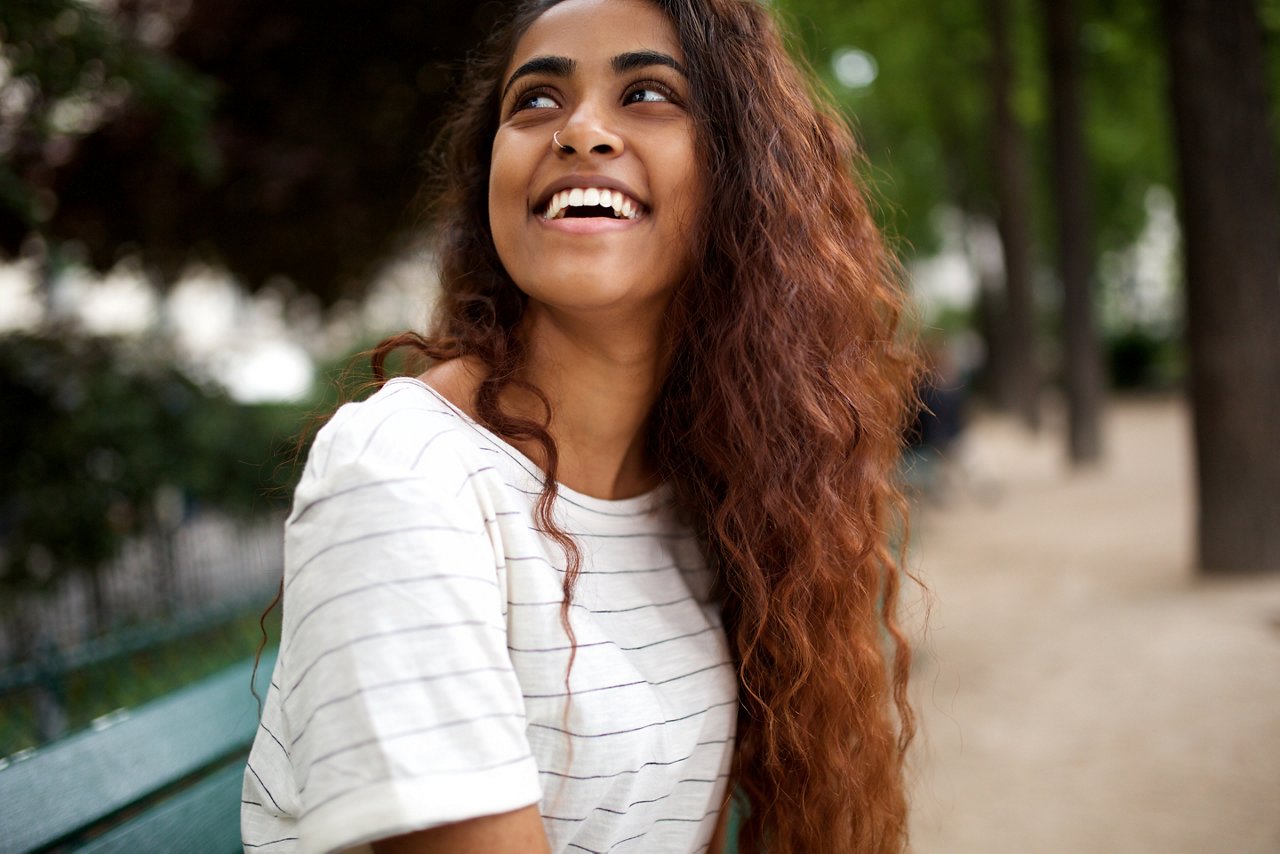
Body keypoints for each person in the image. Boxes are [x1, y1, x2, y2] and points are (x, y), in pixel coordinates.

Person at [241, 0, 920, 851]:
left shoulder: (703, 494)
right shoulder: (404, 475)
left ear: (739, 177)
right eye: (535, 101)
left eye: (647, 93)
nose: (580, 131)